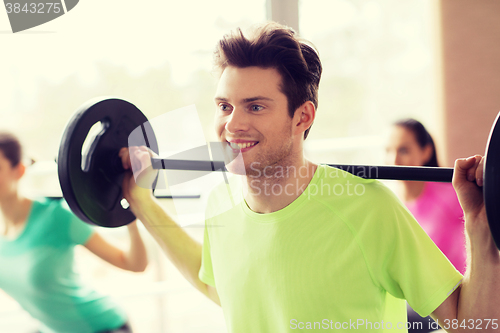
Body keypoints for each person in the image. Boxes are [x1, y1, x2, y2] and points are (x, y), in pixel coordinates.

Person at [119, 22, 500, 332]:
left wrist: (481, 226)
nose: (232, 124)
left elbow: (473, 325)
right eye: (224, 106)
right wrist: (140, 200)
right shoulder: (221, 204)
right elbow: (216, 285)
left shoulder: (367, 208)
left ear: (302, 117)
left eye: (255, 106)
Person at [0, 132, 148, 333]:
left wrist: (131, 212)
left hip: (102, 327)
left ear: (19, 171)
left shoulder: (56, 217)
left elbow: (135, 264)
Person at [385, 119, 467, 332]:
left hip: (453, 298)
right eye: (388, 150)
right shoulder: (390, 204)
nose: (393, 159)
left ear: (425, 151)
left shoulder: (451, 194)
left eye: (403, 150)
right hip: (415, 299)